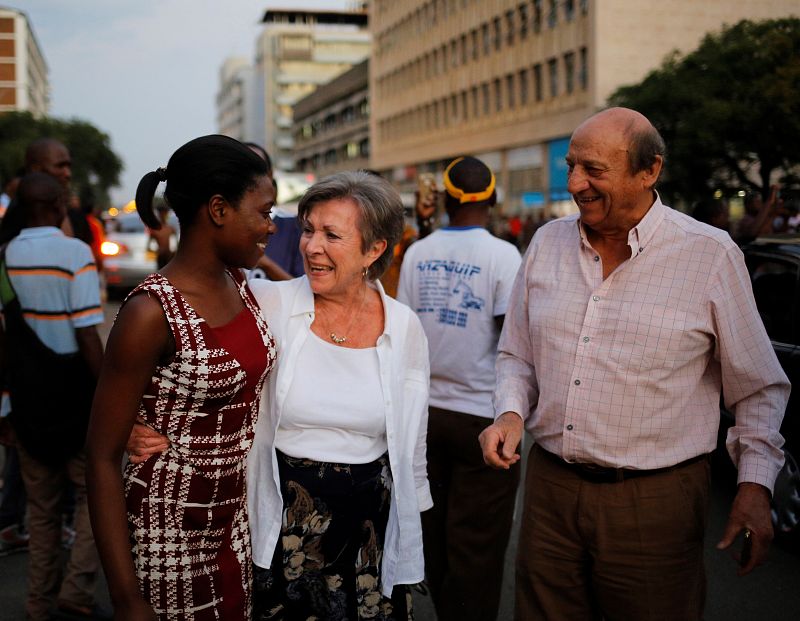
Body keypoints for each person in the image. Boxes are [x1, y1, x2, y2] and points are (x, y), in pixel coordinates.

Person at [479, 107, 790, 621]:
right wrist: (510, 412)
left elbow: (758, 388)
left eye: (594, 170)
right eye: (572, 166)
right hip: (550, 489)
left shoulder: (709, 255)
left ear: (649, 171)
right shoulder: (547, 243)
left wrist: (755, 485)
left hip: (656, 502)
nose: (575, 183)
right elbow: (517, 354)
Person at [86, 135, 278, 620]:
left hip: (233, 525)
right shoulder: (150, 312)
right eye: (263, 212)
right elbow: (101, 458)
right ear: (218, 209)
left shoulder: (238, 282)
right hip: (167, 530)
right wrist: (127, 599)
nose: (271, 226)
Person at [244, 171, 431, 620]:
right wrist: (147, 418)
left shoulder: (403, 325)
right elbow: (190, 346)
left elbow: (413, 437)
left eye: (331, 235)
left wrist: (411, 521)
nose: (312, 246)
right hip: (284, 519)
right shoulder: (267, 304)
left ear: (374, 249)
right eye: (308, 230)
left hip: (368, 524)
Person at [397, 156, 521, 621]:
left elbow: (405, 331)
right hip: (482, 419)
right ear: (492, 199)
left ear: (446, 199)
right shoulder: (504, 256)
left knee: (433, 529)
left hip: (425, 416)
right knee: (478, 543)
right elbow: (513, 340)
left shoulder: (417, 252)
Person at [0, 172, 105, 620]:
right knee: (96, 497)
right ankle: (77, 590)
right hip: (75, 401)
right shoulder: (75, 253)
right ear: (60, 205)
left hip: (27, 403)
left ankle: (38, 604)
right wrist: (111, 392)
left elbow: (3, 339)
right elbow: (87, 334)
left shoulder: (4, 256)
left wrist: (4, 405)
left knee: (41, 511)